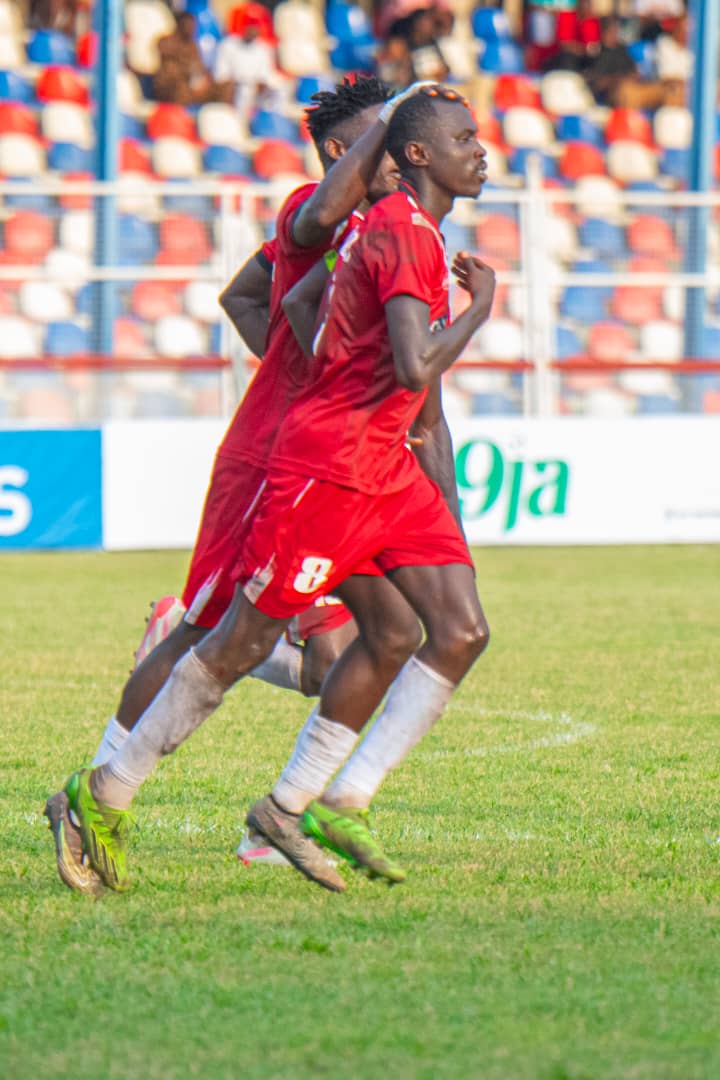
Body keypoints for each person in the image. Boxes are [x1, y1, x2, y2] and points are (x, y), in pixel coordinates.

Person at [58, 85, 496, 896]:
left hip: (368, 463)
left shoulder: (386, 230)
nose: (484, 152)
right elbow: (362, 334)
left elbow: (309, 315)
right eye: (378, 142)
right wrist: (337, 375)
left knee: (415, 631)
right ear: (383, 151)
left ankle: (306, 806)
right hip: (296, 463)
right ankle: (105, 788)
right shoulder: (327, 213)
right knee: (224, 637)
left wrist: (336, 363)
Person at [213, 3, 287, 117]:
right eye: (250, 27)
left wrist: (263, 84)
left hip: (257, 90)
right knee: (244, 91)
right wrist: (241, 83)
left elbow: (266, 74)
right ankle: (240, 124)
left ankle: (269, 122)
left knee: (281, 89)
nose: (253, 31)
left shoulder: (262, 48)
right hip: (235, 89)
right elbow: (220, 75)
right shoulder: (228, 45)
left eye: (256, 28)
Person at [152, 12, 234, 106]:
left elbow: (199, 68)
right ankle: (181, 118)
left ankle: (220, 116)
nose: (192, 28)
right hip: (172, 88)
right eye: (188, 25)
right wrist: (190, 73)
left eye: (193, 25)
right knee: (181, 87)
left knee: (226, 86)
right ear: (180, 25)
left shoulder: (193, 45)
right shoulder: (166, 42)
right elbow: (170, 70)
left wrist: (205, 80)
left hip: (193, 87)